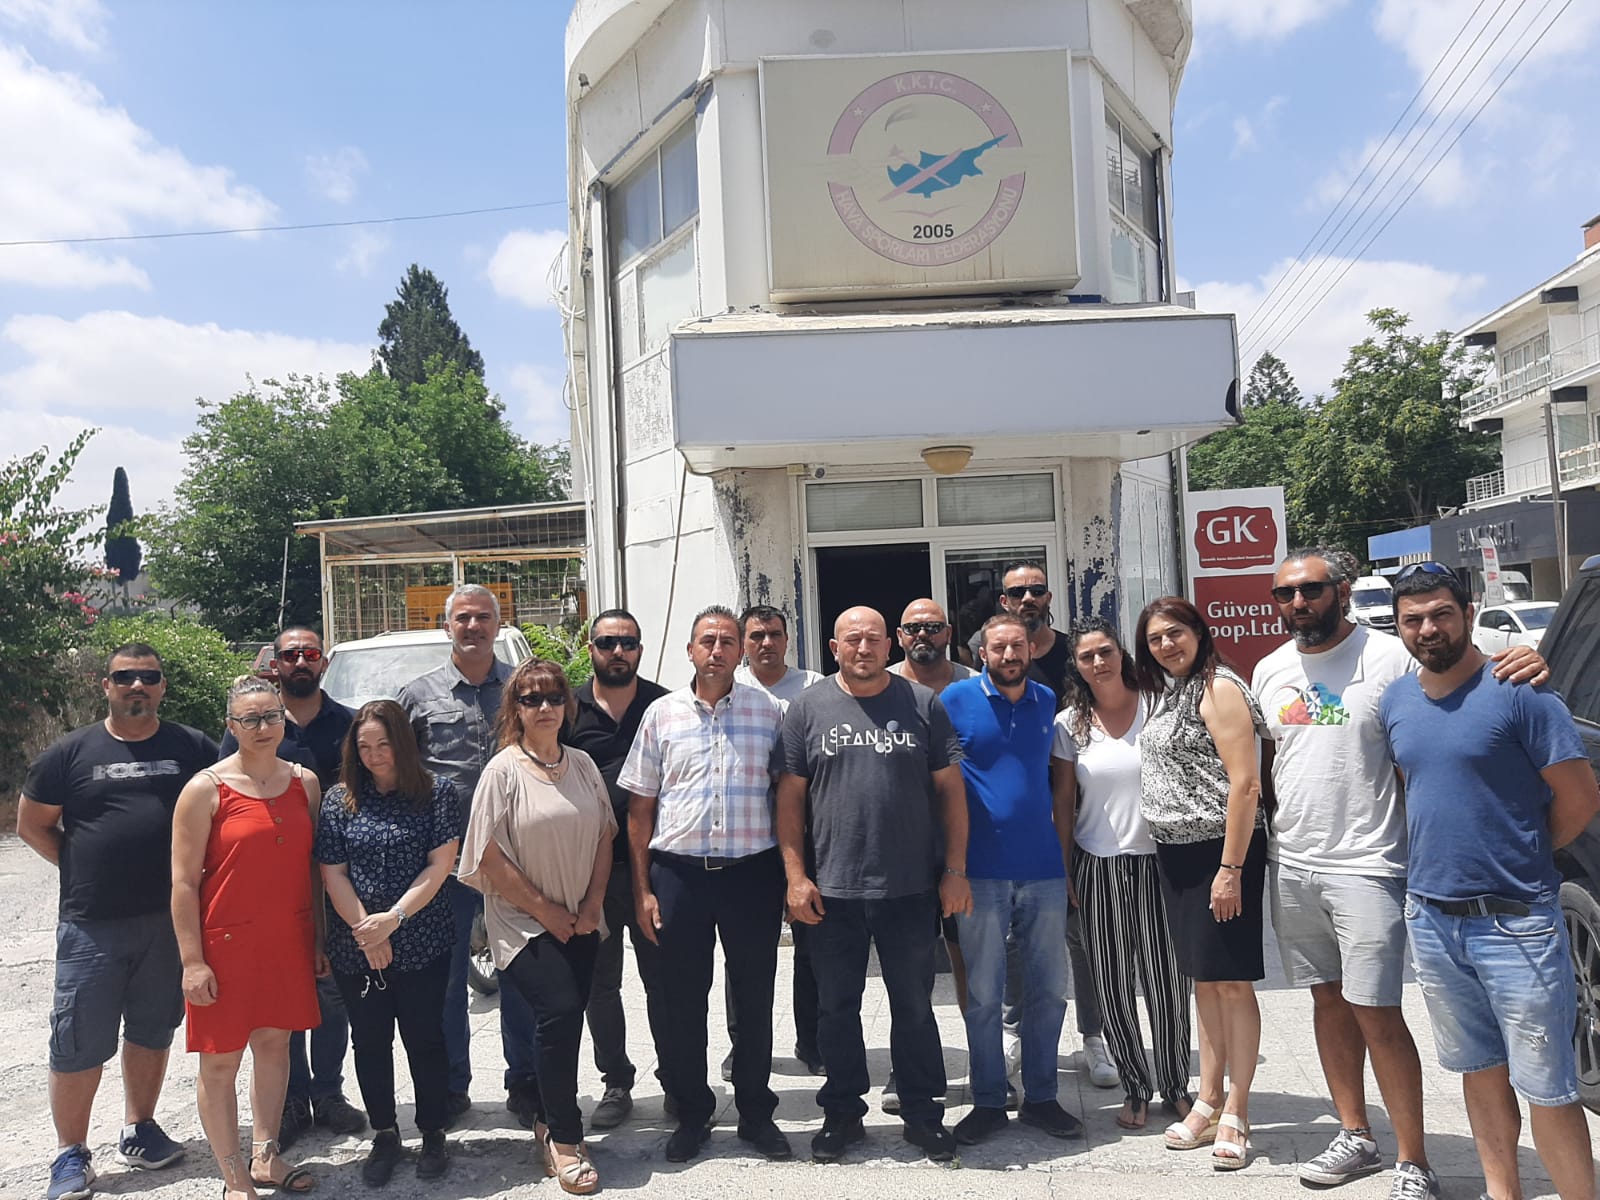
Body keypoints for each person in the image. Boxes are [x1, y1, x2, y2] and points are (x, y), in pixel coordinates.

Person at [1254, 549, 1548, 1199]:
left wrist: (1526, 661)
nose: (1298, 603)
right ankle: (1356, 1134)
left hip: (1371, 863)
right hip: (1294, 862)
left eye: (1311, 589)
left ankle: (1414, 1161)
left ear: (1342, 591)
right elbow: (1279, 759)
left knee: (1377, 1012)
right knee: (1326, 1001)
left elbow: (1462, 677)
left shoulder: (1392, 657)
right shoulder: (1270, 669)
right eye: (1284, 594)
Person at [1382, 563, 1599, 1200]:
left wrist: (1522, 852)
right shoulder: (1397, 701)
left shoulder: (1522, 693)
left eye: (1441, 614)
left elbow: (1580, 800)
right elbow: (1417, 785)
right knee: (1478, 1071)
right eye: (1413, 619)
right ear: (1398, 627)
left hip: (1517, 922)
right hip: (1432, 920)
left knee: (1548, 1087)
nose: (1428, 629)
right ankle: (1503, 1192)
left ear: (1469, 614)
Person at [18, 644, 217, 1200]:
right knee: (78, 1040)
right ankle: (70, 1153)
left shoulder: (191, 746)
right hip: (92, 924)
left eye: (148, 676)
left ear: (162, 686)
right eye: (124, 676)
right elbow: (33, 825)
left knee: (153, 1029)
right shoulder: (69, 752)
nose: (137, 685)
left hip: (170, 922)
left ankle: (139, 1128)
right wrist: (81, 866)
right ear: (106, 685)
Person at [777, 606, 972, 1164]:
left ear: (890, 645)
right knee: (837, 1008)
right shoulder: (807, 708)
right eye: (852, 639)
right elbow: (789, 799)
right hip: (833, 891)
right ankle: (842, 1113)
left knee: (914, 1006)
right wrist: (796, 877)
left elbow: (951, 793)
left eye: (873, 639)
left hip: (909, 888)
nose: (863, 648)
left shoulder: (923, 704)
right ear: (834, 648)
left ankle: (923, 1113)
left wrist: (954, 871)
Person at [618, 606, 792, 1164]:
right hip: (679, 876)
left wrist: (791, 877)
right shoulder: (661, 715)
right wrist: (643, 890)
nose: (716, 650)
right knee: (681, 1000)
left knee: (755, 997)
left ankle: (756, 1112)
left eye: (727, 641)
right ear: (689, 651)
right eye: (706, 641)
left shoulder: (770, 712)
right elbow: (640, 810)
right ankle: (692, 1111)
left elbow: (787, 800)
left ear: (741, 651)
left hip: (751, 875)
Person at [460, 659, 616, 1195]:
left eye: (553, 697)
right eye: (531, 699)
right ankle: (566, 1140)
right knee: (560, 1010)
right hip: (522, 922)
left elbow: (604, 836)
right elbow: (487, 855)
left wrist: (593, 905)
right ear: (516, 709)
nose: (544, 707)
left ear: (567, 705)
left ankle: (549, 1120)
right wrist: (546, 911)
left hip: (581, 919)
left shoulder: (583, 764)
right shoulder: (502, 771)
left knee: (565, 1023)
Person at [171, 676, 325, 1200]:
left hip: (287, 938)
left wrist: (318, 939)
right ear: (231, 726)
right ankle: (233, 1175)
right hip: (225, 945)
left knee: (275, 1045)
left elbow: (312, 869)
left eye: (272, 716)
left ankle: (266, 1155)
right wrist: (192, 961)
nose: (263, 727)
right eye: (251, 719)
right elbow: (183, 883)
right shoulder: (205, 789)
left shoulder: (304, 782)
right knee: (220, 1060)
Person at [967, 560, 1117, 1090]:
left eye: (1036, 590)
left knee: (1081, 938)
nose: (1027, 598)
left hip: (1082, 815)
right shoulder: (979, 667)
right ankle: (1013, 1034)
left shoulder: (1072, 659)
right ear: (1003, 602)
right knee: (1013, 942)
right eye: (1017, 592)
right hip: (1019, 833)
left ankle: (1095, 1036)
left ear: (1049, 596)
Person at [396, 584, 539, 1127]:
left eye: (483, 617)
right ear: (447, 626)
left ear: (499, 624)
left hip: (518, 860)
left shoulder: (525, 690)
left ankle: (525, 1083)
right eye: (463, 618)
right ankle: (451, 1086)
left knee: (521, 977)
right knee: (448, 984)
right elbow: (399, 775)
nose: (473, 626)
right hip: (447, 865)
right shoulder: (418, 696)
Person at [1134, 597, 1266, 1170]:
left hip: (1222, 852)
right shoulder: (1173, 692)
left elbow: (1245, 784)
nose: (1167, 645)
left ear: (1198, 632)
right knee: (1205, 981)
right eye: (1155, 639)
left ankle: (1237, 1108)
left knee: (1232, 982)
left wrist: (1230, 870)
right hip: (1179, 856)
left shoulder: (1220, 687)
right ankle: (1207, 1098)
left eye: (1175, 633)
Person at [942, 614, 1082, 1145]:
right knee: (983, 994)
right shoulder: (953, 701)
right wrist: (950, 867)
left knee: (1048, 990)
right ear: (982, 653)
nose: (1009, 655)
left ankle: (1042, 1097)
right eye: (998, 647)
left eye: (1017, 646)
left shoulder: (1047, 702)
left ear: (1030, 649)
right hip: (979, 870)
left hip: (1042, 868)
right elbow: (939, 785)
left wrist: (1065, 864)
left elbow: (1062, 786)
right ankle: (987, 1100)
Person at [220, 628, 362, 1149]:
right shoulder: (252, 724)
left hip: (336, 879)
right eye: (290, 654)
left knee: (330, 991)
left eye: (310, 653)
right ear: (273, 664)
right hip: (272, 885)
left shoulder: (347, 724)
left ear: (323, 662)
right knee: (281, 996)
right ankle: (291, 1099)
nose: (301, 661)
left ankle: (328, 1092)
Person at [1052, 617, 1192, 1132]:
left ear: (1122, 653)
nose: (1098, 662)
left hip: (1162, 861)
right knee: (1111, 982)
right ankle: (1135, 1085)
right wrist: (1065, 867)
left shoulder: (1160, 706)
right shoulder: (1069, 724)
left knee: (1167, 979)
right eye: (1087, 656)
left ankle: (1175, 1084)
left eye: (1105, 651)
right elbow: (1064, 801)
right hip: (1097, 862)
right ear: (1077, 666)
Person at [315, 700, 460, 1185]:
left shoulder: (437, 793)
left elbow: (440, 865)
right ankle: (385, 1133)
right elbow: (333, 872)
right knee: (370, 1042)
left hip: (422, 938)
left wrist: (393, 920)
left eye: (384, 744)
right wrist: (366, 930)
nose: (375, 754)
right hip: (356, 943)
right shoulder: (339, 800)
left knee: (425, 1038)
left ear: (402, 743)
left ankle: (433, 1132)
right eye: (365, 746)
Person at [564, 610, 670, 1130]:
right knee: (600, 985)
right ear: (591, 649)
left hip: (656, 871)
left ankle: (676, 1078)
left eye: (628, 643)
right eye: (607, 642)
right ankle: (617, 1081)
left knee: (664, 982)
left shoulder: (664, 705)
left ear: (640, 650)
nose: (618, 652)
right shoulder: (567, 709)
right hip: (591, 873)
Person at [727, 603, 825, 1080]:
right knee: (747, 955)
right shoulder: (731, 688)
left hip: (809, 836)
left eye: (774, 634)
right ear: (744, 644)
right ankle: (745, 1047)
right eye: (756, 635)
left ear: (788, 639)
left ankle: (814, 1041)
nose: (766, 643)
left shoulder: (814, 687)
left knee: (812, 945)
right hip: (749, 840)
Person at [733, 603, 823, 702]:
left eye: (775, 635)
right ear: (742, 643)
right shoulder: (732, 686)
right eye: (758, 636)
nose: (767, 643)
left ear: (786, 639)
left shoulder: (812, 684)